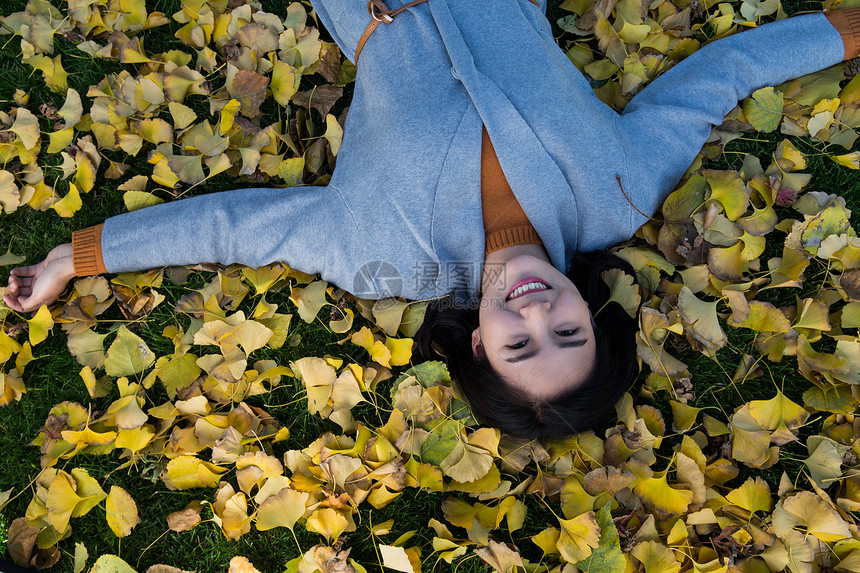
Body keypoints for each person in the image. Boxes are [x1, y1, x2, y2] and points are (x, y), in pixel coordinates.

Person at [4, 1, 858, 439]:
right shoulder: (623, 190)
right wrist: (848, 31)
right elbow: (721, 74)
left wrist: (74, 259)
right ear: (593, 314)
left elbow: (234, 230)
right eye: (566, 331)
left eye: (519, 343)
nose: (533, 311)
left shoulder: (378, 254)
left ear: (480, 345)